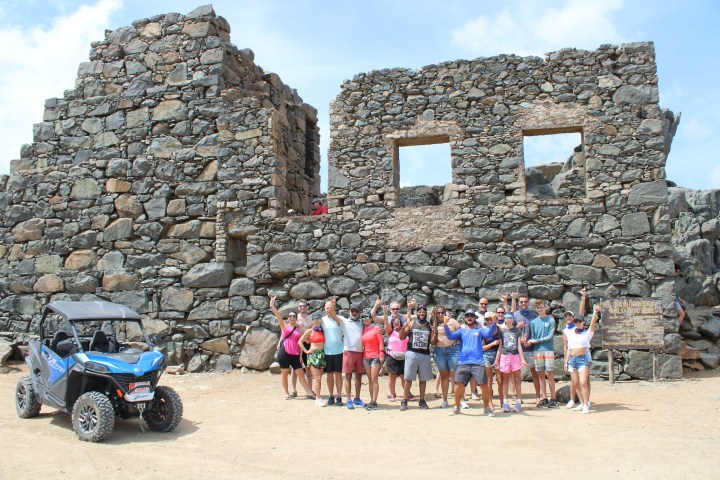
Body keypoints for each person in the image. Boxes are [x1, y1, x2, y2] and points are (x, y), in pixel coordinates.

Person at [446, 309, 495, 417]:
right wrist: (445, 324)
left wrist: (494, 323)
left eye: (471, 316)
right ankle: (457, 407)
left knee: (484, 386)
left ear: (475, 318)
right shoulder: (461, 331)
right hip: (463, 362)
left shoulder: (480, 330)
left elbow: (489, 334)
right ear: (464, 318)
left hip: (478, 362)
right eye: (467, 316)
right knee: (458, 385)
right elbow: (450, 336)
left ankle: (486, 408)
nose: (469, 318)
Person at [269, 295, 313, 400]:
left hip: (295, 353)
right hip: (284, 353)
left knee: (300, 373)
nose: (292, 317)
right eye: (290, 316)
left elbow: (301, 340)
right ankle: (287, 393)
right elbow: (277, 314)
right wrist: (272, 304)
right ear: (288, 318)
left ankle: (309, 393)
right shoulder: (284, 326)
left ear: (296, 319)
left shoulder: (298, 328)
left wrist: (302, 353)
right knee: (284, 373)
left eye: (294, 316)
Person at [326, 297, 367, 409]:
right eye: (352, 311)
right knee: (348, 376)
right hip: (348, 352)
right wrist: (333, 305)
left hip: (360, 352)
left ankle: (357, 398)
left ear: (359, 313)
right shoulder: (344, 321)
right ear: (349, 312)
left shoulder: (362, 323)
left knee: (358, 376)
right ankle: (349, 399)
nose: (354, 313)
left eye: (356, 311)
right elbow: (334, 316)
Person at [398, 299, 435, 411]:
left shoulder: (429, 326)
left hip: (424, 354)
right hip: (412, 353)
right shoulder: (412, 323)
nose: (421, 313)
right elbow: (402, 337)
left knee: (422, 379)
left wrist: (435, 332)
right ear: (417, 313)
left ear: (426, 313)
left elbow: (433, 342)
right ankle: (404, 400)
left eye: (423, 312)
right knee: (408, 378)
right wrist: (404, 327)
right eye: (419, 311)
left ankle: (422, 400)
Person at [564, 305, 601, 414]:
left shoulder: (587, 334)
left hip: (582, 360)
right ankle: (582, 402)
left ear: (583, 322)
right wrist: (566, 362)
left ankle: (586, 404)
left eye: (579, 321)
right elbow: (569, 349)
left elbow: (593, 324)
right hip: (572, 360)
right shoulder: (570, 333)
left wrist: (595, 312)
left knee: (583, 382)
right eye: (576, 321)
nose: (577, 323)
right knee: (576, 383)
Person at [376, 299, 408, 403]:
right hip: (392, 356)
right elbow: (385, 322)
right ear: (392, 323)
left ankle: (406, 395)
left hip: (404, 356)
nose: (396, 323)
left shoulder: (405, 330)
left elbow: (409, 319)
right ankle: (392, 394)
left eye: (398, 321)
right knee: (392, 377)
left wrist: (411, 308)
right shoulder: (390, 331)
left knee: (404, 377)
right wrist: (385, 313)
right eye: (394, 322)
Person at [563, 287, 590, 408]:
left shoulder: (577, 325)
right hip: (572, 354)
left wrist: (583, 297)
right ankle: (575, 400)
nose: (569, 319)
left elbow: (581, 312)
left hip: (584, 353)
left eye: (571, 317)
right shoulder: (566, 330)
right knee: (575, 380)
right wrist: (566, 360)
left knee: (585, 379)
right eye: (566, 317)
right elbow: (566, 346)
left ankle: (586, 401)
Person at [495, 312, 527, 413]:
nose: (508, 320)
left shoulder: (517, 330)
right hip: (504, 356)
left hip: (515, 356)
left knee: (517, 379)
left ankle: (518, 402)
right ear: (504, 319)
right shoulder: (501, 331)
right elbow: (500, 346)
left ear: (513, 319)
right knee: (505, 380)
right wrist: (497, 360)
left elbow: (519, 346)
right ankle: (505, 402)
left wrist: (522, 360)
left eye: (510, 318)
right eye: (507, 318)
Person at [528, 300, 558, 408]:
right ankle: (544, 397)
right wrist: (529, 342)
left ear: (545, 307)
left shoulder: (551, 320)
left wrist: (536, 341)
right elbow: (533, 337)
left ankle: (553, 398)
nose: (540, 309)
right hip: (537, 350)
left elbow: (550, 337)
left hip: (548, 350)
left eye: (541, 307)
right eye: (538, 308)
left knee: (549, 373)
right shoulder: (533, 322)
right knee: (540, 374)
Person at [431, 305, 460, 408]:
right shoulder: (434, 324)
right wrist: (435, 331)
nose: (440, 314)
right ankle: (445, 400)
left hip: (453, 349)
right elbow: (433, 342)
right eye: (438, 313)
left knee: (455, 374)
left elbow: (460, 333)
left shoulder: (452, 321)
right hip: (440, 350)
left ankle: (460, 399)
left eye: (442, 312)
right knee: (444, 376)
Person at [298, 314, 328, 407]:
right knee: (317, 378)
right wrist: (306, 351)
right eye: (315, 319)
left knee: (319, 378)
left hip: (321, 355)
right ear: (312, 321)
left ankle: (318, 396)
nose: (317, 321)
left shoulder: (323, 331)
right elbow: (300, 341)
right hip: (313, 355)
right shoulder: (310, 331)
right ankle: (317, 399)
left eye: (319, 319)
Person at [515, 295, 540, 405]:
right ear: (518, 303)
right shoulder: (514, 316)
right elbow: (510, 332)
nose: (523, 304)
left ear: (528, 302)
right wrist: (518, 329)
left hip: (531, 348)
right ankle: (518, 398)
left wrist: (531, 341)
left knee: (535, 374)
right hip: (517, 349)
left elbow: (537, 333)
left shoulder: (534, 316)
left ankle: (538, 397)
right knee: (517, 375)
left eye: (525, 302)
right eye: (521, 302)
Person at [321, 299, 344, 406]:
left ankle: (339, 396)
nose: (329, 310)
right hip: (327, 352)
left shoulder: (340, 318)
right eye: (327, 308)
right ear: (324, 309)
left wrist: (334, 315)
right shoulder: (322, 320)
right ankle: (331, 396)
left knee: (338, 375)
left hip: (339, 351)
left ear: (335, 308)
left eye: (331, 307)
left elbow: (343, 326)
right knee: (329, 375)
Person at [361, 311, 385, 410]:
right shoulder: (363, 330)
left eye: (368, 317)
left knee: (374, 379)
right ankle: (371, 400)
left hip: (375, 356)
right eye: (363, 317)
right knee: (370, 379)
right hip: (366, 356)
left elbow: (380, 341)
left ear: (371, 319)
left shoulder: (376, 328)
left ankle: (374, 402)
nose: (366, 319)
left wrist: (382, 353)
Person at [481, 312, 502, 411]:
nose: (489, 321)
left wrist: (497, 359)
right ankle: (490, 402)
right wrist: (493, 344)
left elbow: (501, 346)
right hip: (487, 356)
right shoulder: (483, 331)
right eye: (487, 319)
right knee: (489, 380)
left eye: (491, 319)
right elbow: (482, 348)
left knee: (500, 380)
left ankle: (502, 401)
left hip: (498, 356)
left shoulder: (499, 330)